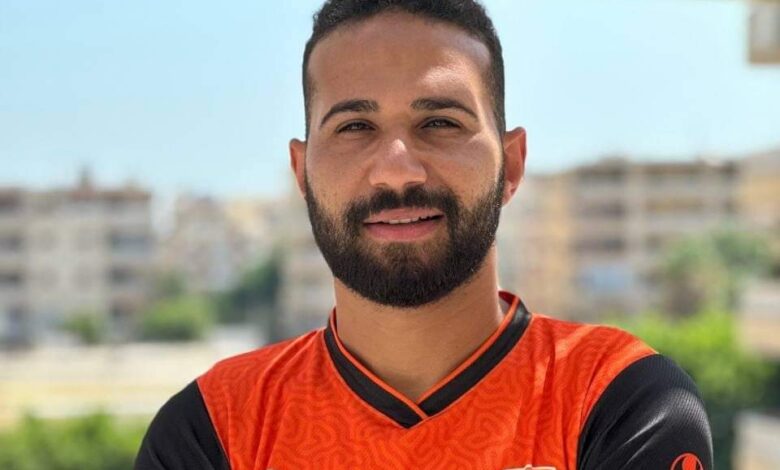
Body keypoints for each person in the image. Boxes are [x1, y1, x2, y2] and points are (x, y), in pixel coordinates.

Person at [135, 1, 714, 469]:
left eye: (439, 122)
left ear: (511, 165)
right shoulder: (214, 428)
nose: (397, 170)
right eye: (355, 126)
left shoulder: (618, 399)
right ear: (302, 174)